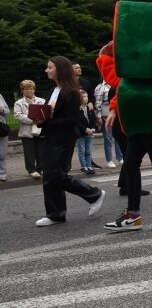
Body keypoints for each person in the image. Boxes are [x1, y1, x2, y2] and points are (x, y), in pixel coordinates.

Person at [95, 42, 152, 232]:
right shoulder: (144, 66)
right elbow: (125, 89)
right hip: (139, 122)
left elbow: (120, 82)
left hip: (151, 122)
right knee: (130, 165)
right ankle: (134, 215)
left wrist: (104, 56)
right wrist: (113, 108)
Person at [34, 56, 105, 226]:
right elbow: (52, 114)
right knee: (49, 176)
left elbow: (72, 119)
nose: (46, 70)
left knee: (57, 175)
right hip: (51, 136)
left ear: (59, 69)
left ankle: (94, 194)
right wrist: (41, 119)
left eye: (50, 67)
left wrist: (49, 120)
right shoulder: (53, 91)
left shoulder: (71, 92)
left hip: (64, 139)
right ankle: (55, 214)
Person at [14, 80, 46, 179]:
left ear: (34, 89)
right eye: (26, 89)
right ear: (22, 90)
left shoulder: (42, 101)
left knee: (41, 151)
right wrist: (33, 120)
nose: (29, 90)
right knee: (29, 152)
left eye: (31, 88)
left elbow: (47, 112)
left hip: (40, 129)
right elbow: (18, 115)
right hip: (26, 131)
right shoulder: (18, 103)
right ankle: (31, 170)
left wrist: (41, 119)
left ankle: (40, 168)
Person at [94, 78, 121, 168]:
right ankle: (109, 159)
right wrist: (98, 117)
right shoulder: (100, 87)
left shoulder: (116, 84)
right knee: (108, 138)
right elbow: (98, 104)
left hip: (117, 113)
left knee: (118, 136)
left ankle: (120, 157)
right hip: (106, 113)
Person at [75, 89, 97, 175]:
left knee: (88, 151)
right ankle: (83, 166)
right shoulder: (76, 109)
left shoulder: (89, 107)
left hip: (90, 133)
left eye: (87, 96)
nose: (86, 98)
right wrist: (85, 129)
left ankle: (89, 165)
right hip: (81, 133)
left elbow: (93, 119)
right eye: (84, 97)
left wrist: (93, 129)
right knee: (82, 150)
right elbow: (77, 122)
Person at [0, 92, 8, 182]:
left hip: (1, 127)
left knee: (1, 153)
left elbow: (7, 111)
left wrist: (2, 111)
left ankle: (2, 174)